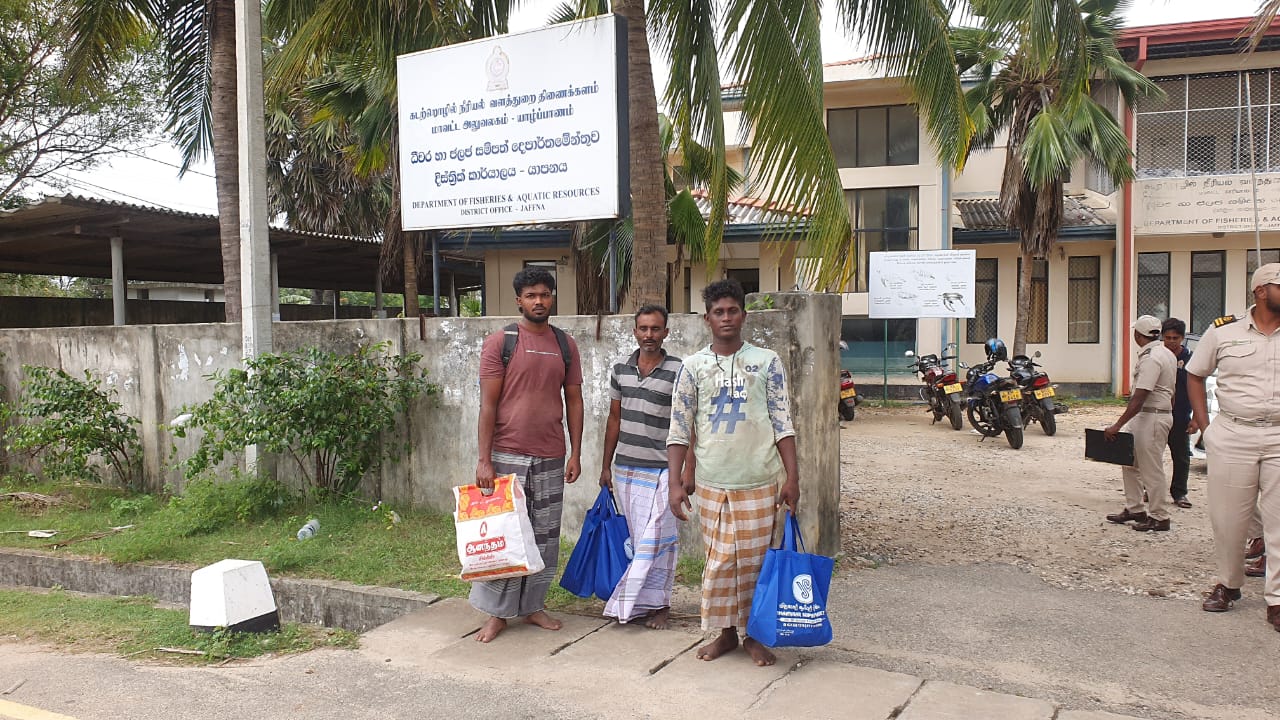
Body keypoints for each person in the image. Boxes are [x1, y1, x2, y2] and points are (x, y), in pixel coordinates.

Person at [666, 279, 800, 667]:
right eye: (718, 312)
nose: (726, 318)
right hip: (713, 483)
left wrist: (792, 478)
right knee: (721, 562)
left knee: (757, 563)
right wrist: (675, 483)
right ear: (707, 319)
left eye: (733, 310)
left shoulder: (767, 362)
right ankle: (726, 634)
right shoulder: (693, 367)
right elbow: (679, 427)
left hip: (760, 480)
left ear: (744, 315)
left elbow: (782, 421)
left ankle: (753, 635)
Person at [471, 267, 583, 643]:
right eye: (531, 295)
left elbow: (575, 400)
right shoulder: (500, 342)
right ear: (519, 300)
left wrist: (576, 453)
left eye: (545, 294)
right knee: (506, 535)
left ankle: (533, 606)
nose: (539, 301)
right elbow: (488, 405)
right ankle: (497, 614)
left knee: (544, 536)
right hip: (507, 454)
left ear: (553, 298)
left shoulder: (565, 345)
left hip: (551, 454)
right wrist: (484, 459)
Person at [1189, 262, 1280, 632]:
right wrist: (1207, 429)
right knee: (1229, 520)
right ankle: (1229, 584)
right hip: (1233, 434)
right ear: (1261, 291)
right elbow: (1195, 374)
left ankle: (1276, 600)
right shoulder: (1223, 330)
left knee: (1278, 522)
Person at [599, 304, 689, 629]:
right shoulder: (620, 369)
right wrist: (605, 466)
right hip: (627, 470)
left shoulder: (679, 370)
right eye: (643, 329)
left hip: (664, 470)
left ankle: (657, 605)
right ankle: (641, 604)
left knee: (660, 539)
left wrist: (685, 472)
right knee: (639, 541)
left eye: (655, 329)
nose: (649, 335)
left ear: (666, 332)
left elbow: (687, 423)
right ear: (635, 331)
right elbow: (614, 419)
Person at [1104, 315, 1177, 532]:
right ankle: (1135, 508)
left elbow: (1140, 396)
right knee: (1130, 462)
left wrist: (1117, 425)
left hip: (1150, 415)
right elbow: (1171, 391)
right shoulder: (1166, 353)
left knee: (1150, 469)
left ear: (1138, 335)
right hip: (1152, 414)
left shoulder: (1151, 358)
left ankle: (1159, 516)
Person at [1161, 318, 1195, 508]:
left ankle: (1180, 493)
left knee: (1181, 456)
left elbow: (1197, 389)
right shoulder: (1157, 356)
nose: (1171, 342)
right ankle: (1151, 490)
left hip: (1180, 415)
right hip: (1158, 414)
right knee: (1152, 455)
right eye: (1168, 338)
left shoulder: (1191, 359)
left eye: (1175, 338)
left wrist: (1196, 418)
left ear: (1182, 338)